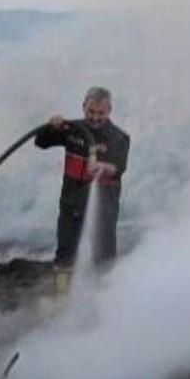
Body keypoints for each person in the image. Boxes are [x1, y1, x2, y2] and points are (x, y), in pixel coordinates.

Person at [35, 86, 130, 293]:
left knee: (103, 256)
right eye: (91, 112)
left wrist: (103, 167)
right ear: (83, 107)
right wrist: (52, 127)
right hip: (72, 202)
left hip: (104, 206)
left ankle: (104, 303)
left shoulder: (119, 138)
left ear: (109, 111)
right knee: (66, 253)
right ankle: (62, 301)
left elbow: (118, 168)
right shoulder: (71, 130)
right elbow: (40, 142)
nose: (95, 117)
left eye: (101, 113)